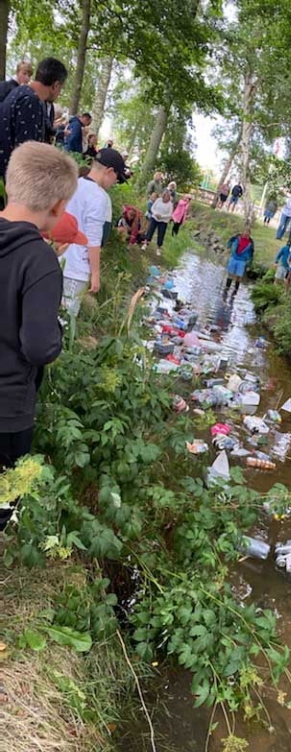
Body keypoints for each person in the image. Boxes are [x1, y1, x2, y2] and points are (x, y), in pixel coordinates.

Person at [0, 142, 78, 528]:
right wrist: (58, 330)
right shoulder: (40, 261)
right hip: (7, 410)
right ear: (59, 206)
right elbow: (39, 346)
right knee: (1, 499)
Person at [61, 147, 127, 316]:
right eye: (116, 178)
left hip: (57, 257)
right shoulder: (99, 197)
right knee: (65, 318)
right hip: (77, 267)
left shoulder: (75, 183)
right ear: (109, 171)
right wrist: (95, 274)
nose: (114, 183)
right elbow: (94, 239)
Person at [0, 58, 68, 178]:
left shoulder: (20, 92)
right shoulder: (32, 101)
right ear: (55, 85)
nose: (59, 93)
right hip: (14, 182)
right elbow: (26, 156)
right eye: (60, 88)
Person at [142, 190, 173, 256]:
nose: (166, 198)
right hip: (155, 217)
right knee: (150, 230)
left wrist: (162, 216)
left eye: (167, 197)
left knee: (161, 234)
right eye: (165, 196)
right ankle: (145, 244)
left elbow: (170, 214)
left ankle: (158, 248)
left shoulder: (170, 204)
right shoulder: (158, 200)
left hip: (163, 221)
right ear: (163, 196)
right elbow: (153, 208)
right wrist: (156, 214)